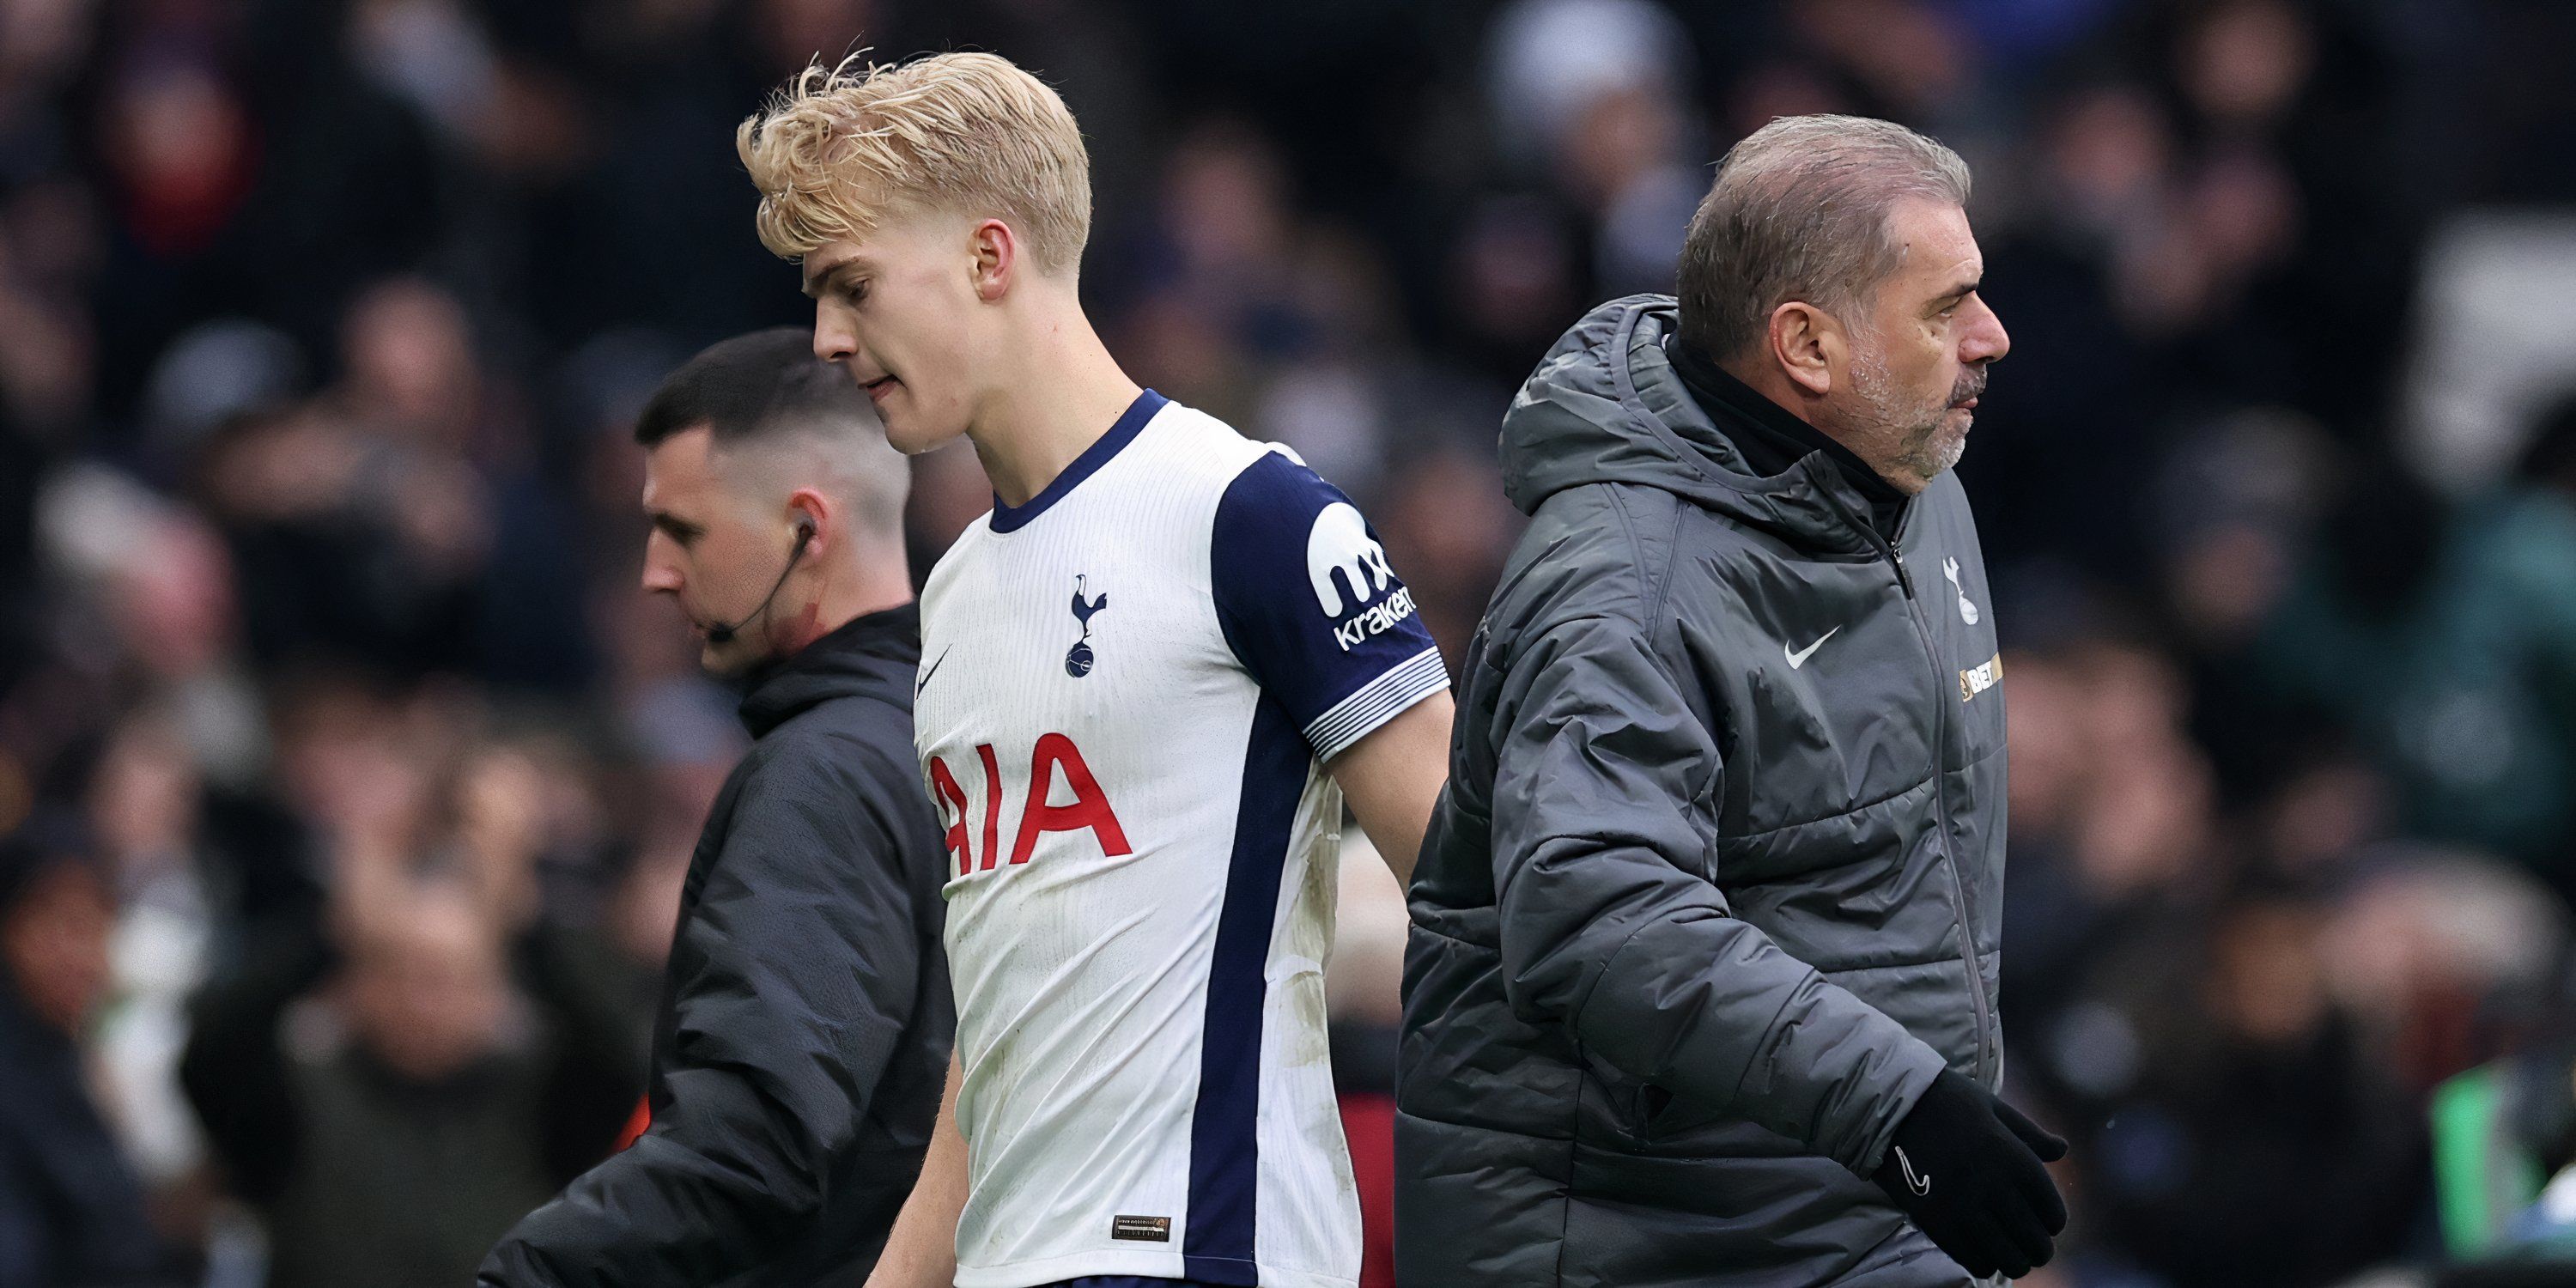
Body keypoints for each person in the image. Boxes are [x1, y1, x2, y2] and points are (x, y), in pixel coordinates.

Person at [737, 52, 1456, 1288]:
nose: (828, 340)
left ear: (988, 254)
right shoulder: (954, 590)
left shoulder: (1251, 516)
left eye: (851, 287)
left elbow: (1477, 895)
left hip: (1208, 1254)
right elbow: (1002, 1032)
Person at [1398, 115, 2067, 1285]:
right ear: (1806, 347)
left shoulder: (1910, 485)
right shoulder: (1623, 591)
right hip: (1650, 1245)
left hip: (1852, 1222)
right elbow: (1595, 914)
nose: (1992, 337)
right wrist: (1900, 1109)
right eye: (1944, 307)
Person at [477, 328, 953, 1285]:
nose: (655, 571)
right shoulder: (951, 740)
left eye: (683, 530)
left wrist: (526, 1276)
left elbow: (757, 1148)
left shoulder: (824, 776)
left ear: (805, 532)